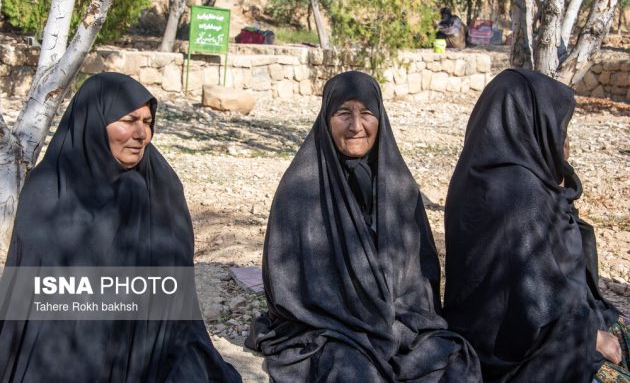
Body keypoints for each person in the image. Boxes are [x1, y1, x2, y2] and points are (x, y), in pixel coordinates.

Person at [0, 73, 242, 382]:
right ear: (94, 121)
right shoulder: (50, 189)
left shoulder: (159, 186)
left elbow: (171, 293)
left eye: (148, 122)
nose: (141, 133)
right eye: (128, 120)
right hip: (62, 347)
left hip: (148, 345)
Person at [246, 71, 481, 382]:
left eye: (367, 113)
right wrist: (359, 316)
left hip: (400, 322)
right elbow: (289, 290)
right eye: (344, 113)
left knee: (452, 360)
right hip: (333, 327)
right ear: (326, 119)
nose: (356, 126)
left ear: (380, 118)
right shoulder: (300, 187)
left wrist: (394, 317)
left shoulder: (398, 185)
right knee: (353, 371)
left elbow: (418, 278)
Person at [443, 69, 629, 382]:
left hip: (481, 336)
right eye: (559, 128)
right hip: (517, 355)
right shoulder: (520, 193)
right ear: (532, 125)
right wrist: (591, 339)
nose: (565, 140)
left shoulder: (478, 172)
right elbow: (536, 302)